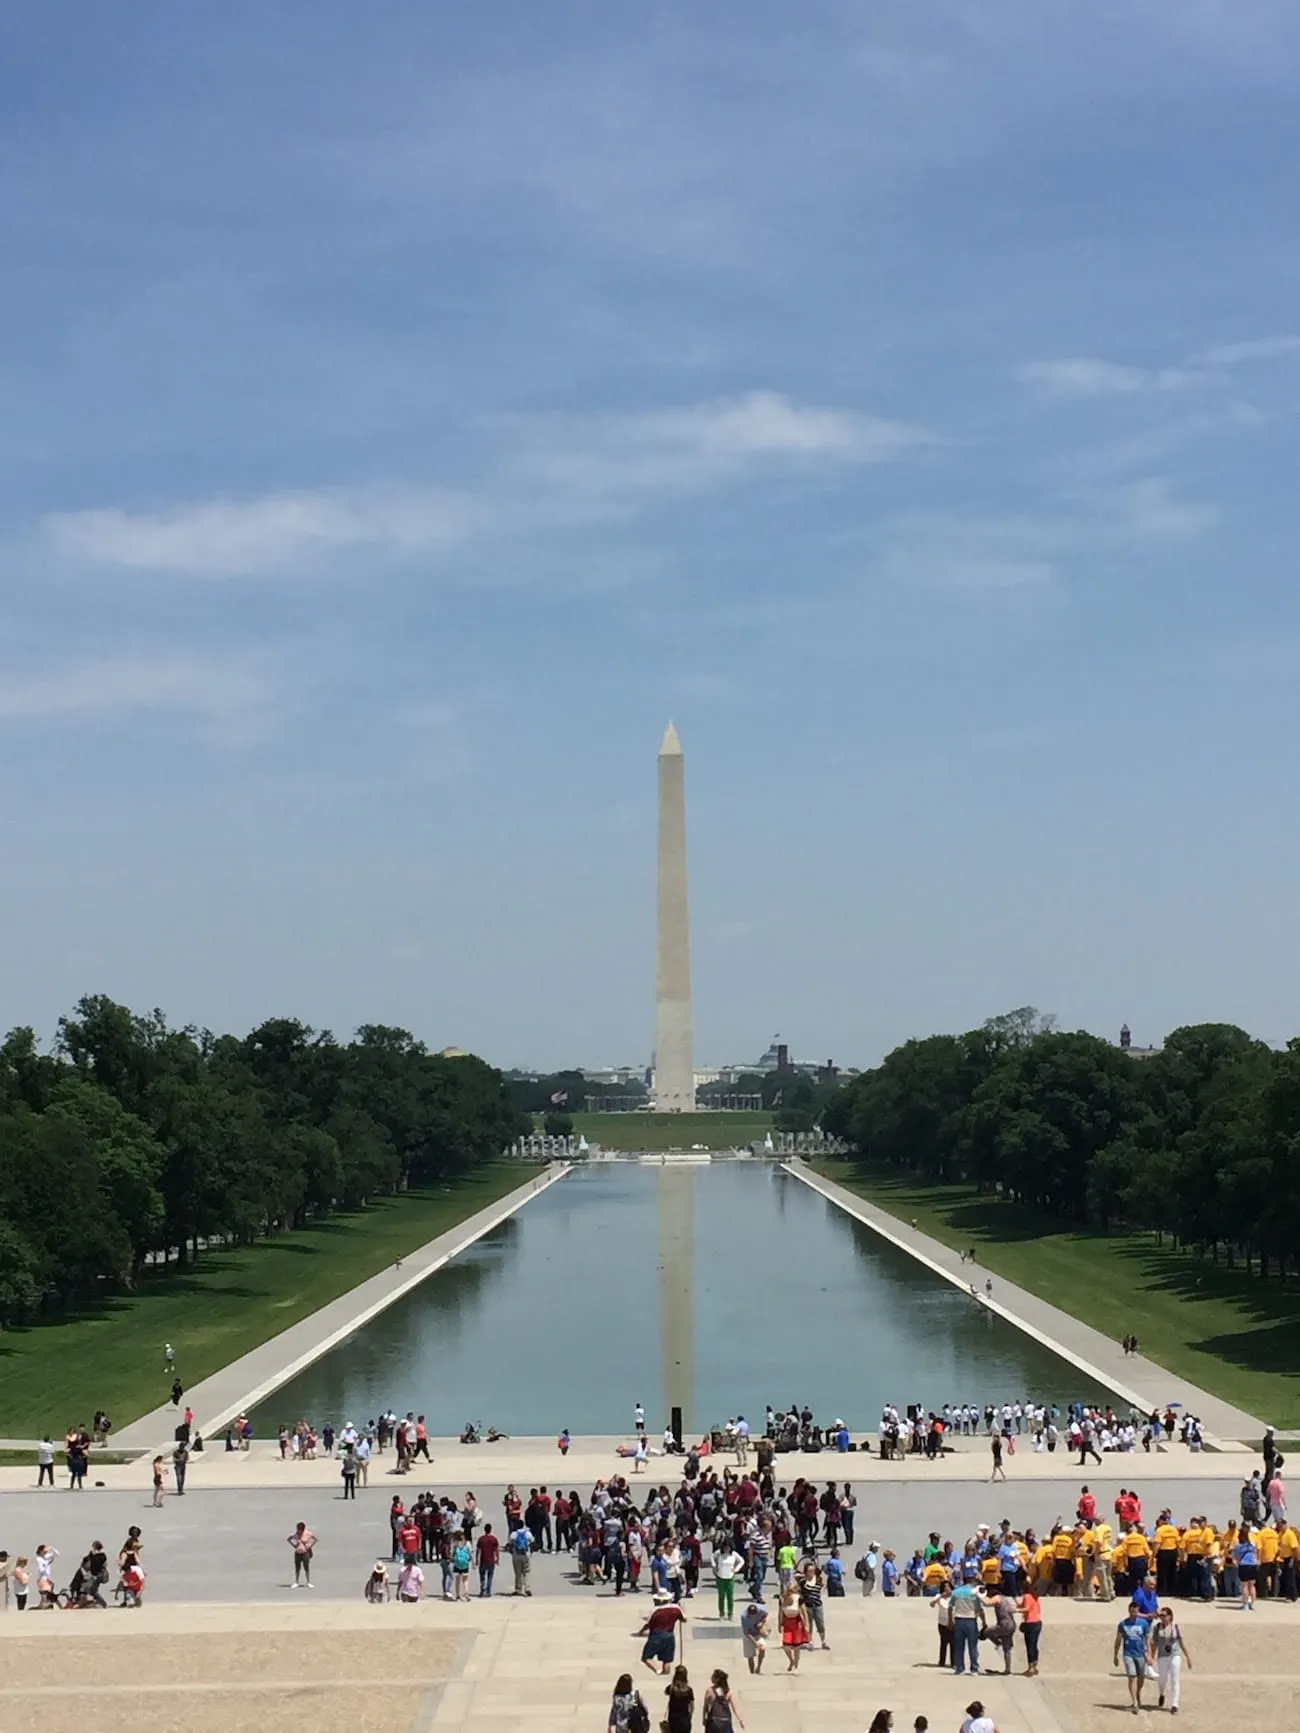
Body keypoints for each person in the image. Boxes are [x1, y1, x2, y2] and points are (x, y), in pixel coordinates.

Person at [1113, 1598, 1152, 1714]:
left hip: (1140, 1654)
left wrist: (1149, 1654)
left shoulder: (1143, 1624)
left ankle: (1138, 1692)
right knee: (1132, 1676)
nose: (1133, 1614)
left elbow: (1147, 1640)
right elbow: (1118, 1639)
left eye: (1135, 1612)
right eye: (1131, 1612)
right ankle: (1134, 1702)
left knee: (1141, 1676)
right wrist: (1115, 1654)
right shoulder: (1123, 1624)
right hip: (1128, 1653)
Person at [1151, 1606, 1191, 1713]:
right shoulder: (1157, 1628)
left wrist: (1187, 1656)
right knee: (1163, 1679)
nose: (1162, 1618)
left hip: (1175, 1655)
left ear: (1170, 1616)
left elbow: (1181, 1642)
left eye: (1164, 1616)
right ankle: (1161, 1693)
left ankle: (1175, 1704)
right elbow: (1154, 1643)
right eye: (1161, 1616)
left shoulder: (1175, 1627)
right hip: (1162, 1656)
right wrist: (1151, 1656)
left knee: (1175, 1679)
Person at [638, 1593, 687, 1674]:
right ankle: (666, 1673)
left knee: (646, 1657)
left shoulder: (656, 1610)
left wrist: (641, 1631)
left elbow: (648, 1624)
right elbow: (684, 1619)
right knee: (667, 1659)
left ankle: (657, 1670)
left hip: (656, 1635)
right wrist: (682, 1610)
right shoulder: (676, 1608)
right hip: (670, 1635)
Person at [949, 1577, 987, 1675]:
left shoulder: (955, 1592)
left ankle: (959, 1668)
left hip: (958, 1620)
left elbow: (950, 1607)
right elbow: (980, 1609)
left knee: (959, 1646)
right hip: (971, 1620)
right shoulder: (974, 1593)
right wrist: (984, 1622)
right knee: (973, 1646)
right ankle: (974, 1668)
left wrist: (950, 1621)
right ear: (972, 1583)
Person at [702, 1667, 742, 1733]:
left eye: (713, 1676)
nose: (711, 1677)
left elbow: (705, 1707)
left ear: (717, 1679)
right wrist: (740, 1719)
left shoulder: (709, 1691)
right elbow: (735, 1708)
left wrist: (704, 1718)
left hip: (714, 1721)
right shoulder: (728, 1691)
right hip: (725, 1721)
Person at [779, 1584, 809, 1671]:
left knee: (796, 1647)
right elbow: (780, 1612)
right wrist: (780, 1624)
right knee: (786, 1646)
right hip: (787, 1623)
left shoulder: (799, 1599)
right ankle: (791, 1660)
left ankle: (796, 1665)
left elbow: (804, 1612)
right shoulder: (782, 1599)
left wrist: (806, 1625)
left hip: (797, 1623)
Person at [740, 1595, 768, 1675]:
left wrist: (762, 1622)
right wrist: (755, 1644)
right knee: (750, 1656)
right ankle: (752, 1672)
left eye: (754, 1614)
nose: (753, 1616)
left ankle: (758, 1667)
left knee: (762, 1649)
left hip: (757, 1632)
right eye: (751, 1615)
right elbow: (746, 1632)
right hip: (748, 1635)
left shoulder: (761, 1609)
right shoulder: (744, 1616)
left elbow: (766, 1614)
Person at [1019, 1585, 1043, 1676]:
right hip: (1038, 1622)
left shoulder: (1027, 1596)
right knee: (1034, 1645)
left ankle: (1030, 1667)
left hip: (1030, 1623)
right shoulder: (1035, 1597)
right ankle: (1035, 1665)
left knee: (1029, 1645)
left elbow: (1026, 1609)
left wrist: (1016, 1610)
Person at [713, 1537, 740, 1619]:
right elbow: (712, 1558)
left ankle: (730, 1613)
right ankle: (721, 1613)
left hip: (730, 1577)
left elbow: (741, 1561)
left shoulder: (734, 1554)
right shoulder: (718, 1553)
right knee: (721, 1596)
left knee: (730, 1596)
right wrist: (714, 1566)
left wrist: (736, 1569)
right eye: (725, 1548)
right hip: (720, 1577)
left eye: (728, 1548)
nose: (726, 1549)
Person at [287, 1521, 317, 1589]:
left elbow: (315, 1539)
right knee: (297, 1568)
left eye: (299, 1530)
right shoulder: (296, 1534)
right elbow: (289, 1539)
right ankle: (296, 1582)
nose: (298, 1531)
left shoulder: (307, 1533)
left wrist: (309, 1546)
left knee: (306, 1568)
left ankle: (308, 1582)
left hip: (305, 1553)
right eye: (297, 1529)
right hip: (297, 1553)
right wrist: (294, 1545)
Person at [664, 1664, 694, 1733]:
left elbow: (665, 1692)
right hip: (685, 1719)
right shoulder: (689, 1690)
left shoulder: (671, 1688)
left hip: (673, 1720)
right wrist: (690, 1716)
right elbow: (692, 1706)